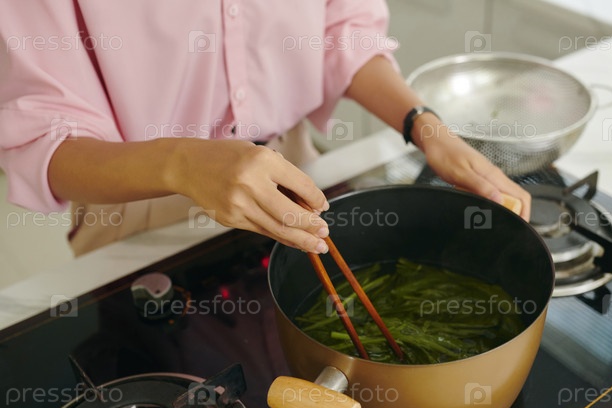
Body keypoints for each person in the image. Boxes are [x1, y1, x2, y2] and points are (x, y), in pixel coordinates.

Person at [0, 1, 530, 256]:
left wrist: (425, 127)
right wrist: (183, 163)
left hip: (293, 167)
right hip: (142, 206)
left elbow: (340, 31)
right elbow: (44, 139)